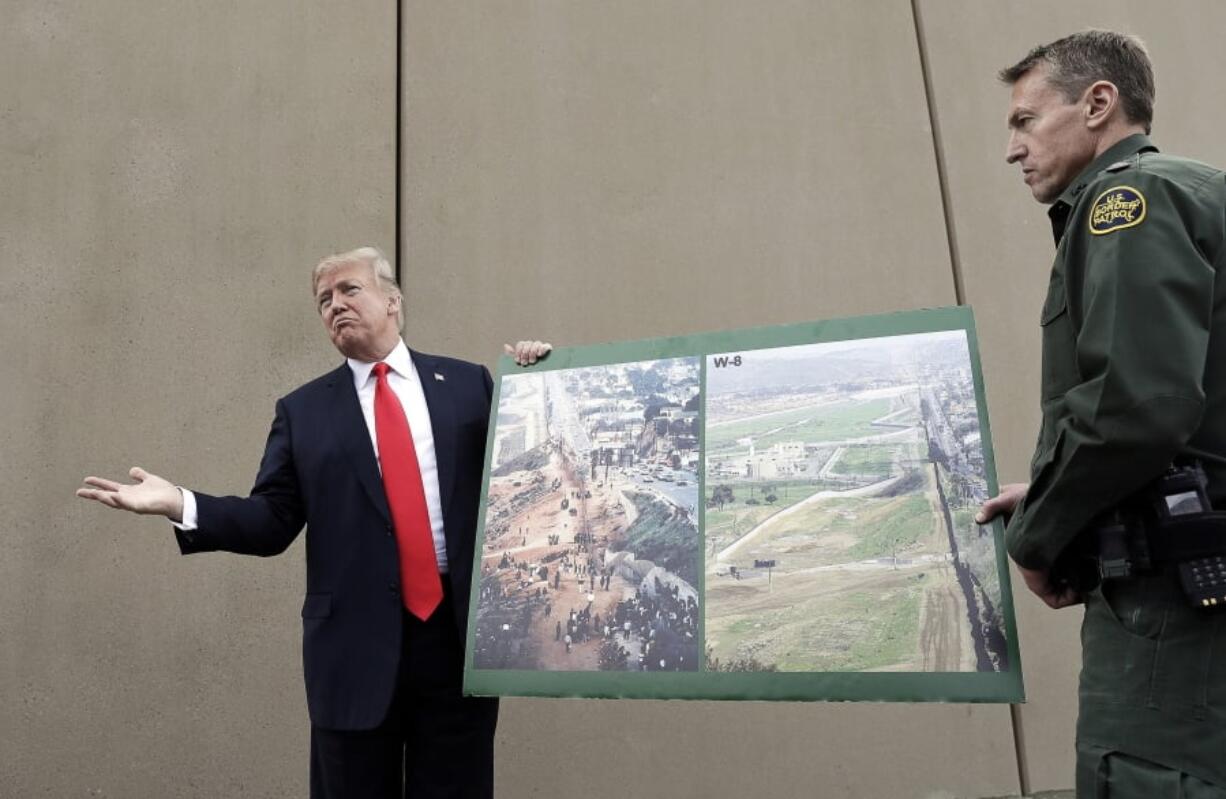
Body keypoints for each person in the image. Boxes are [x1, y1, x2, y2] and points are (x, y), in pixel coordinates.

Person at [76, 246, 551, 799]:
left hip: (455, 643)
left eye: (350, 290)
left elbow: (530, 472)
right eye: (324, 300)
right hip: (352, 649)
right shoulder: (303, 412)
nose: (335, 305)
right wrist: (180, 502)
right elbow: (271, 520)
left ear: (393, 300)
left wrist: (537, 378)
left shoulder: (468, 385)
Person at [976, 31, 1226, 796]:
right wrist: (1056, 484)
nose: (1013, 149)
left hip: (1173, 618)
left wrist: (1040, 531)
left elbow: (1133, 409)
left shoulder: (1130, 202)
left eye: (1024, 120)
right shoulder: (1200, 190)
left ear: (1098, 104)